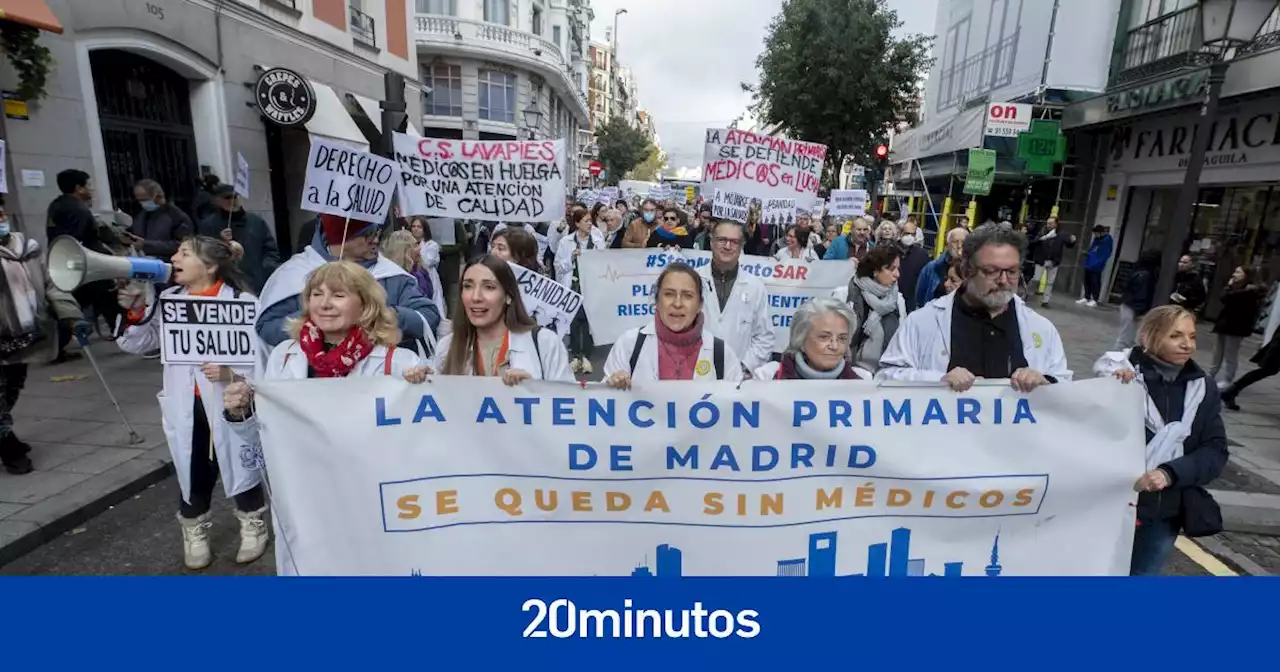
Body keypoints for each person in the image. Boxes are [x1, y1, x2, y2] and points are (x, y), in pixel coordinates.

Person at [223, 261, 431, 576]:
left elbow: (426, 443)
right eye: (316, 294)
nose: (324, 303)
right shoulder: (285, 356)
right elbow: (265, 436)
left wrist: (425, 390)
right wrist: (241, 413)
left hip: (371, 501)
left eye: (338, 295)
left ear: (365, 304)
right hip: (305, 497)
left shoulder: (399, 362)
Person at [116, 236, 268, 569]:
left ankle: (252, 523)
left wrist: (232, 372)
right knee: (193, 465)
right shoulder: (168, 300)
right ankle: (194, 528)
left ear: (210, 266)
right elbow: (139, 344)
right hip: (187, 402)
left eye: (184, 253)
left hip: (230, 400)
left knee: (241, 460)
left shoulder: (243, 302)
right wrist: (136, 310)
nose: (174, 258)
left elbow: (262, 356)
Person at [1093, 306, 1228, 575]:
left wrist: (1169, 473)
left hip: (1162, 514)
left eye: (1192, 336)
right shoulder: (1118, 374)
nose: (1187, 344)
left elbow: (1214, 450)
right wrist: (1111, 391)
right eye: (1176, 336)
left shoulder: (1202, 387)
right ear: (1148, 337)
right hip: (1108, 507)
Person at [878, 226, 1072, 390]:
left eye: (1012, 271)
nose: (1003, 281)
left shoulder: (1041, 328)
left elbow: (1065, 385)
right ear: (967, 270)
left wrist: (1046, 382)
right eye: (991, 271)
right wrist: (936, 381)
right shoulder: (922, 322)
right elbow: (885, 377)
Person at [256, 214, 441, 372]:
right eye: (366, 234)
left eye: (376, 233)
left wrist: (384, 315)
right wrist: (321, 320)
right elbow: (267, 328)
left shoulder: (392, 276)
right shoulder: (293, 274)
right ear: (340, 237)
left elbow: (429, 316)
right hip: (311, 384)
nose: (375, 240)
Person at [0, 198, 89, 475]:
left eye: (1, 210)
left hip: (25, 337)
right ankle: (8, 447)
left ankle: (5, 433)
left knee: (12, 389)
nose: (1, 216)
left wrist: (70, 315)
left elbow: (52, 283)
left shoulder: (28, 248)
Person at [430, 255, 573, 383]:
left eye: (489, 287)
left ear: (508, 296)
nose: (476, 297)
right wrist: (421, 382)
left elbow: (572, 405)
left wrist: (533, 390)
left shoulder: (545, 343)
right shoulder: (447, 347)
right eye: (468, 286)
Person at [604, 262, 743, 388]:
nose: (677, 304)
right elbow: (603, 406)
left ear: (700, 304)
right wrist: (611, 385)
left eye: (687, 295)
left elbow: (739, 407)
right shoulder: (629, 345)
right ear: (657, 301)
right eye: (669, 294)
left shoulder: (722, 354)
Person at [47, 169, 122, 357]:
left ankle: (58, 346)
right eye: (88, 185)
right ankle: (124, 335)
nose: (92, 189)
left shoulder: (57, 205)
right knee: (109, 299)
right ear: (78, 188)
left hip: (69, 263)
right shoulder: (77, 209)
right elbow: (77, 240)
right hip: (88, 265)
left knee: (72, 304)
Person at [699, 221, 773, 372]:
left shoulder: (754, 287)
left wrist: (745, 367)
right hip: (696, 373)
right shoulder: (693, 280)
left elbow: (764, 337)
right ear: (711, 241)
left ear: (742, 245)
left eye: (734, 242)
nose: (727, 246)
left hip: (739, 379)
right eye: (722, 240)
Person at [753, 298, 870, 380]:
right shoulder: (769, 376)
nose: (834, 346)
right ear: (801, 339)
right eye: (824, 337)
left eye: (842, 338)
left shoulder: (862, 380)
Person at [197, 184, 280, 293]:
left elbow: (270, 249)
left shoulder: (256, 221)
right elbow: (204, 254)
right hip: (226, 284)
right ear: (218, 200)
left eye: (235, 197)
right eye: (227, 198)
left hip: (257, 282)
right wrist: (220, 240)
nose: (232, 201)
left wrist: (265, 271)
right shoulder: (209, 225)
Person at [555, 206, 605, 374]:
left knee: (589, 322)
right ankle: (577, 356)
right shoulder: (566, 242)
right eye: (586, 221)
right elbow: (558, 267)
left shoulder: (598, 240)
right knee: (575, 322)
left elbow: (603, 264)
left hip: (591, 287)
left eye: (591, 221)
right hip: (573, 287)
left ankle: (586, 357)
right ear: (577, 223)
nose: (590, 224)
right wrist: (571, 258)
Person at [846, 245, 906, 374]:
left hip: (885, 375)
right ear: (875, 270)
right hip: (852, 374)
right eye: (891, 269)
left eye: (898, 269)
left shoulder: (897, 300)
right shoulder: (847, 294)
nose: (897, 275)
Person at [1209, 266, 1263, 388]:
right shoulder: (1233, 288)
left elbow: (1231, 298)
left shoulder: (1250, 291)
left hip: (1236, 327)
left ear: (1246, 276)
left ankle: (1228, 379)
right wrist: (1229, 286)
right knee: (1217, 352)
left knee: (1230, 354)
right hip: (1224, 324)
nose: (1234, 274)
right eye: (1235, 271)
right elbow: (1223, 298)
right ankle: (1211, 374)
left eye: (1238, 272)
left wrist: (1230, 287)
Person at [129, 179, 194, 259]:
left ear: (157, 196)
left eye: (145, 200)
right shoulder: (142, 215)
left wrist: (146, 245)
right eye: (139, 200)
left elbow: (181, 244)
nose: (142, 203)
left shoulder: (176, 216)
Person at [1117, 250, 1162, 350]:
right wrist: (1140, 312)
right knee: (1126, 339)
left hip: (1128, 305)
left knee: (1126, 338)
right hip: (1133, 308)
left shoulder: (1138, 271)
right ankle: (1116, 359)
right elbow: (1141, 295)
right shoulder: (1146, 275)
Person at [915, 227, 969, 308]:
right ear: (947, 245)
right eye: (955, 242)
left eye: (963, 242)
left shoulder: (974, 269)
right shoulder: (932, 268)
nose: (959, 246)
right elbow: (920, 298)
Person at [1027, 217, 1075, 307]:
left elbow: (1068, 244)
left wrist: (1072, 241)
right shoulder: (1042, 231)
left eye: (1051, 223)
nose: (1048, 225)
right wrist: (1043, 238)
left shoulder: (1061, 233)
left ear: (1056, 224)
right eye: (1048, 223)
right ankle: (1028, 295)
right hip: (1042, 259)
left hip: (1053, 261)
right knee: (1036, 278)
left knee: (1050, 282)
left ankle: (1046, 300)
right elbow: (1033, 242)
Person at [408, 217, 447, 319]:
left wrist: (415, 253)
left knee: (433, 303)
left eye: (419, 227)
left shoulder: (431, 245)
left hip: (428, 278)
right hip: (413, 277)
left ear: (424, 229)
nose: (415, 229)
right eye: (413, 226)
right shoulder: (407, 244)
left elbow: (427, 261)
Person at [897, 219, 930, 313]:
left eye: (913, 234)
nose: (910, 237)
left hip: (912, 301)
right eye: (907, 233)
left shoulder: (922, 254)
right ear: (900, 233)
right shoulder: (890, 251)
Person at [1078, 225, 1114, 307]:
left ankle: (1095, 299)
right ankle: (1086, 297)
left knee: (1095, 282)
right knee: (1087, 281)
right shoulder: (1097, 239)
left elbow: (1104, 254)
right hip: (1089, 263)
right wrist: (1087, 254)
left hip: (1097, 264)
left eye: (1096, 233)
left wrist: (1097, 261)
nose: (1095, 235)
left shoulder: (1107, 240)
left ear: (1101, 232)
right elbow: (1092, 249)